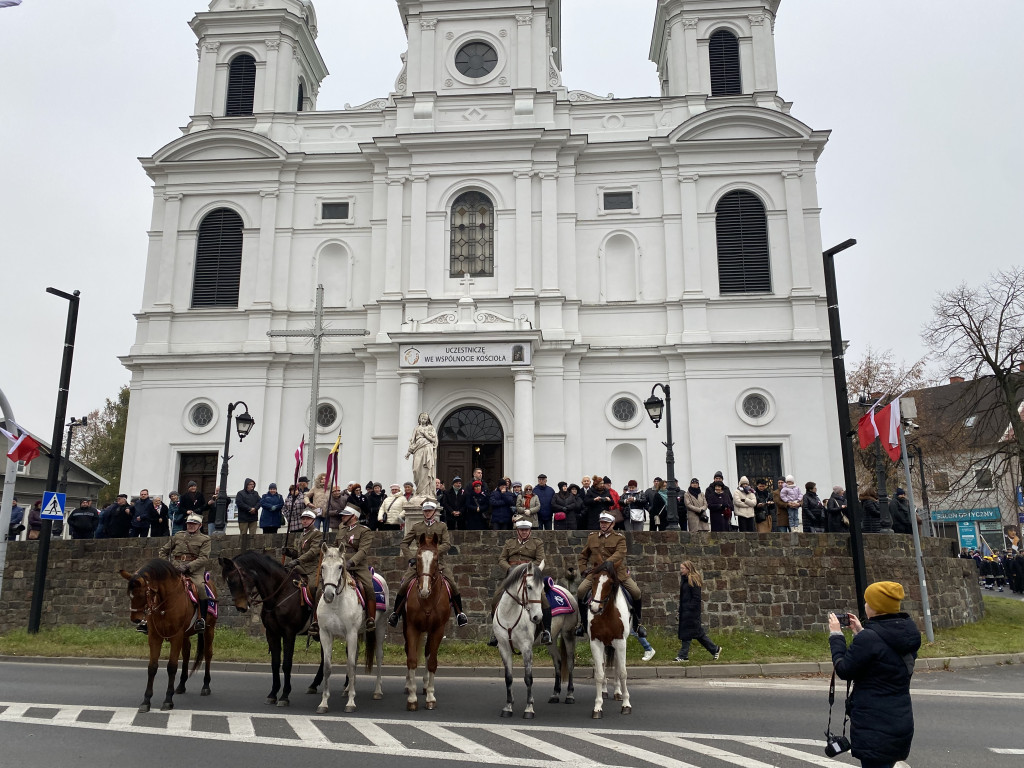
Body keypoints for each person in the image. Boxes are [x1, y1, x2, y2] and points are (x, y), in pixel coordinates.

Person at [828, 581, 922, 768]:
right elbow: (884, 659)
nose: (865, 605)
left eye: (867, 602)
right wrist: (860, 633)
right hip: (899, 720)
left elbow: (844, 669)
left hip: (875, 725)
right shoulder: (908, 632)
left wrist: (836, 636)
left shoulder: (870, 639)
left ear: (876, 608)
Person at [387, 500, 469, 627]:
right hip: (419, 562)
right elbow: (404, 543)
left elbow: (447, 544)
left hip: (438, 562)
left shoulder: (442, 526)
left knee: (452, 584)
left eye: (429, 511)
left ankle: (460, 613)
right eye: (425, 511)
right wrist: (410, 558)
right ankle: (395, 614)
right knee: (405, 584)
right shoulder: (417, 527)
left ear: (434, 512)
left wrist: (434, 552)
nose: (427, 513)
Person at [575, 511, 645, 638]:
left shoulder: (619, 538)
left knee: (636, 592)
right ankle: (583, 624)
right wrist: (583, 569)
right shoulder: (592, 537)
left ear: (612, 524)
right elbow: (583, 555)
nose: (603, 525)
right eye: (601, 522)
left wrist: (607, 563)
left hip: (617, 573)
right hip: (597, 573)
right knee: (580, 591)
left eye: (606, 522)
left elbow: (620, 553)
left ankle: (638, 624)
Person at [487, 518, 551, 646]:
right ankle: (496, 633)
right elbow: (502, 559)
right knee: (495, 598)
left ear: (530, 531)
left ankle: (546, 631)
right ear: (517, 531)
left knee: (543, 598)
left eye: (526, 530)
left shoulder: (537, 543)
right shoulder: (509, 542)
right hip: (512, 577)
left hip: (529, 575)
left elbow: (540, 560)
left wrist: (528, 569)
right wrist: (509, 569)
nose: (524, 532)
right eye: (521, 530)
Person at [144, 513, 211, 634]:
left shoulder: (205, 539)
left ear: (199, 525)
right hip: (174, 568)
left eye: (193, 524)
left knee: (200, 587)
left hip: (194, 571)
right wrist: (170, 566)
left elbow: (204, 558)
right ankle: (146, 618)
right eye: (189, 524)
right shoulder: (178, 536)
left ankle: (201, 619)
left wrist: (187, 567)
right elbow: (163, 551)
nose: (190, 526)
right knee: (155, 586)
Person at [335, 504, 377, 631]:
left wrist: (351, 562)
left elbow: (363, 550)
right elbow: (335, 548)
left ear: (353, 517)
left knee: (368, 586)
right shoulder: (341, 530)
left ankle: (371, 618)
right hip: (340, 566)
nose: (342, 517)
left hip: (358, 567)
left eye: (345, 515)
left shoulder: (365, 531)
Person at [674, 560, 722, 662]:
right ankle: (715, 649)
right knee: (698, 634)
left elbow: (696, 598)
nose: (681, 570)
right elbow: (683, 597)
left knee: (687, 633)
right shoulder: (684, 579)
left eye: (682, 568)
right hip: (685, 611)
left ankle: (683, 656)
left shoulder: (693, 580)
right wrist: (680, 610)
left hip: (691, 613)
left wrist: (689, 609)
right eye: (681, 568)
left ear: (688, 569)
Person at [405, 412, 438, 497]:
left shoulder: (431, 428)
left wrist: (426, 435)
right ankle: (419, 490)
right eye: (422, 418)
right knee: (416, 470)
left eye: (425, 419)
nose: (423, 420)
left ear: (427, 420)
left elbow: (434, 440)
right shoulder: (416, 428)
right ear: (419, 419)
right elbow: (412, 440)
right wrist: (409, 452)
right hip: (417, 449)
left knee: (426, 470)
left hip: (427, 448)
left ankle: (426, 492)